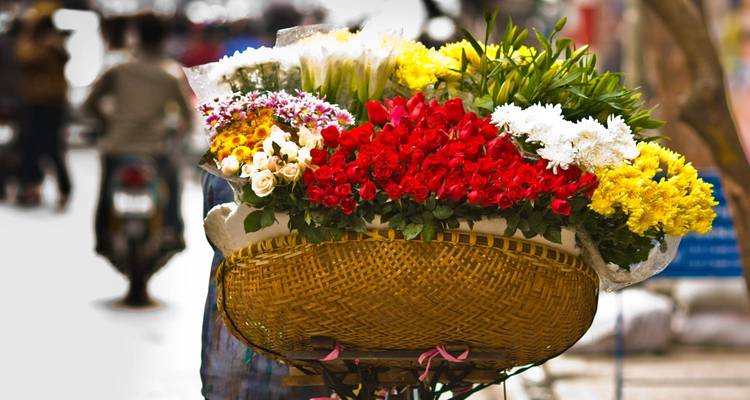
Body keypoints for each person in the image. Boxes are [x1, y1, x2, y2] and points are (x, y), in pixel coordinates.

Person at [83, 12, 192, 256]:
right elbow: (186, 117)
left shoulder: (118, 69)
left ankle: (102, 236)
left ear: (135, 36)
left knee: (106, 189)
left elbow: (89, 104)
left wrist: (106, 121)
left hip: (118, 145)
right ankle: (173, 230)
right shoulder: (170, 74)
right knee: (173, 179)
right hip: (155, 150)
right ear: (164, 38)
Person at [15, 7, 71, 208]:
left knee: (44, 146)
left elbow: (24, 56)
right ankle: (37, 186)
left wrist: (27, 31)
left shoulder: (43, 46)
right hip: (48, 102)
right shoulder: (56, 44)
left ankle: (43, 187)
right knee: (43, 146)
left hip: (42, 102)